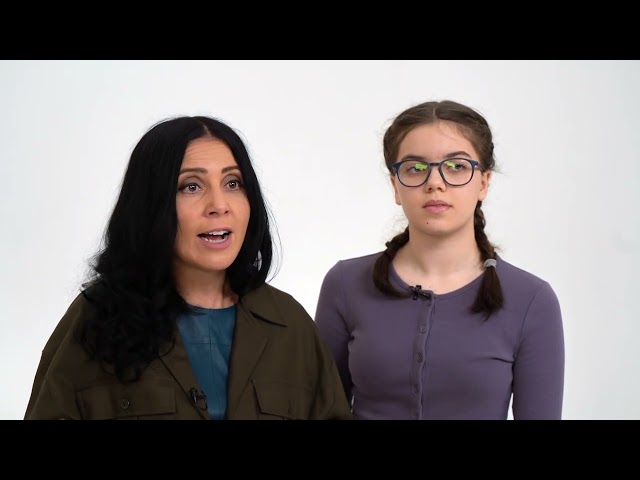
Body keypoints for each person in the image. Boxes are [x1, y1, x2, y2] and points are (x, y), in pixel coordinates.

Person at [25, 115, 352, 420]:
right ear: (151, 204)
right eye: (191, 186)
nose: (219, 205)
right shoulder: (96, 318)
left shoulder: (290, 324)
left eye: (233, 183)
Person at [315, 100, 565, 420]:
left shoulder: (531, 300)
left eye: (456, 166)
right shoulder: (345, 284)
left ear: (484, 183)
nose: (435, 183)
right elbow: (321, 409)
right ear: (395, 186)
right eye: (416, 168)